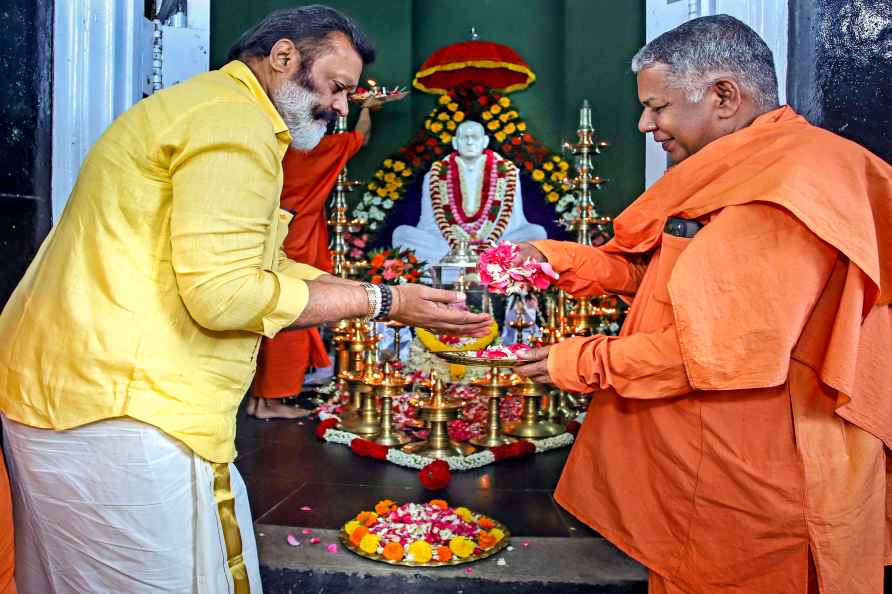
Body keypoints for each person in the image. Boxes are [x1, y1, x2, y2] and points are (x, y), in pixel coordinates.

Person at [0, 6, 490, 593]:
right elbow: (227, 295)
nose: (341, 108)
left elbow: (265, 264)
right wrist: (383, 304)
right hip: (123, 409)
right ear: (283, 57)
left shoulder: (211, 108)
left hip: (74, 391)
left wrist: (392, 295)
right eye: (337, 88)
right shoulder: (234, 125)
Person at [515, 15, 891, 594]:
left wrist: (579, 362)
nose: (645, 124)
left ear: (723, 96)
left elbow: (721, 352)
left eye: (658, 107)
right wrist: (562, 260)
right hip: (721, 464)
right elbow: (680, 282)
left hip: (759, 482)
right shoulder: (746, 169)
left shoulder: (783, 187)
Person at [247, 93, 401, 419]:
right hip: (296, 237)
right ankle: (271, 402)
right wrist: (368, 110)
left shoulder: (270, 147)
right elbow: (361, 137)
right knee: (294, 312)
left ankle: (258, 400)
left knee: (266, 310)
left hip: (267, 233)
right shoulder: (315, 150)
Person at [392, 120, 546, 265]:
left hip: (495, 242)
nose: (470, 142)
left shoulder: (507, 173)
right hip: (447, 244)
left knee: (536, 233)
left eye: (475, 137)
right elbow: (428, 224)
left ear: (485, 141)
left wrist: (489, 242)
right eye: (464, 137)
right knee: (401, 235)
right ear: (455, 142)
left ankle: (487, 259)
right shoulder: (434, 175)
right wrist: (456, 241)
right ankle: (477, 263)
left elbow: (515, 221)